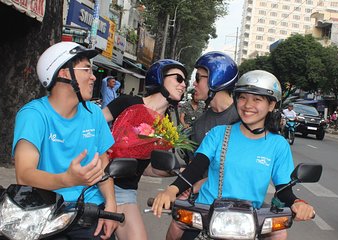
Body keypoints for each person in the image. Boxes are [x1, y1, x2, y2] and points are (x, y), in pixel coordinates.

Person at [152, 70, 316, 240]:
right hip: (205, 215)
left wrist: (298, 203)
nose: (247, 105)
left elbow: (283, 189)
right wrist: (171, 190)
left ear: (272, 105)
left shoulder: (278, 145)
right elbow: (196, 166)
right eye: (242, 97)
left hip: (249, 223)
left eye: (257, 99)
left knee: (280, 235)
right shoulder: (218, 134)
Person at [12, 42, 117, 239]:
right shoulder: (34, 115)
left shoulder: (94, 113)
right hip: (45, 212)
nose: (93, 76)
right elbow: (24, 175)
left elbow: (102, 166)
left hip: (90, 211)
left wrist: (111, 204)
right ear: (64, 73)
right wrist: (67, 179)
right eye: (86, 69)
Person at [102, 59, 188, 240]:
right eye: (179, 79)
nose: (184, 85)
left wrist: (177, 171)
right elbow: (91, 127)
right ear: (160, 78)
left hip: (124, 191)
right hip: (95, 182)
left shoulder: (166, 127)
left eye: (185, 81)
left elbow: (147, 167)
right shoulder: (127, 102)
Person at [167, 51, 240, 240]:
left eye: (199, 78)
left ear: (216, 79)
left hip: (239, 210)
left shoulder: (242, 119)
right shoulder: (200, 124)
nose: (194, 84)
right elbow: (196, 166)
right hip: (204, 204)